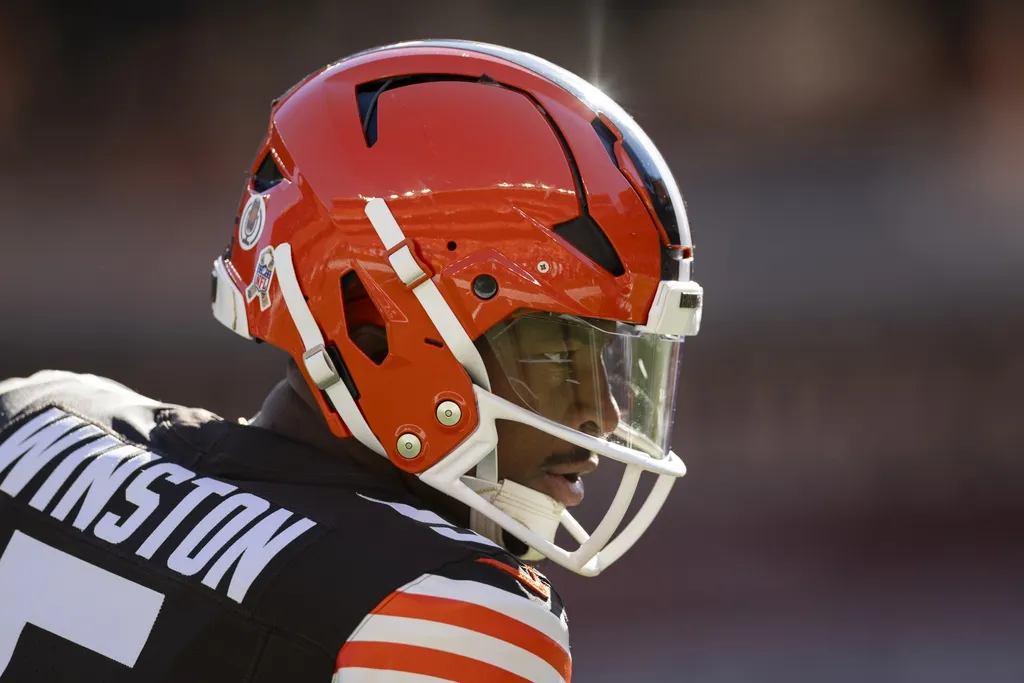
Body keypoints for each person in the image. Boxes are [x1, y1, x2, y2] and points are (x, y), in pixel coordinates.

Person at [0, 40, 702, 682]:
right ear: (373, 317)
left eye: (609, 356)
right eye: (557, 349)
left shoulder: (35, 413)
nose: (602, 415)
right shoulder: (450, 611)